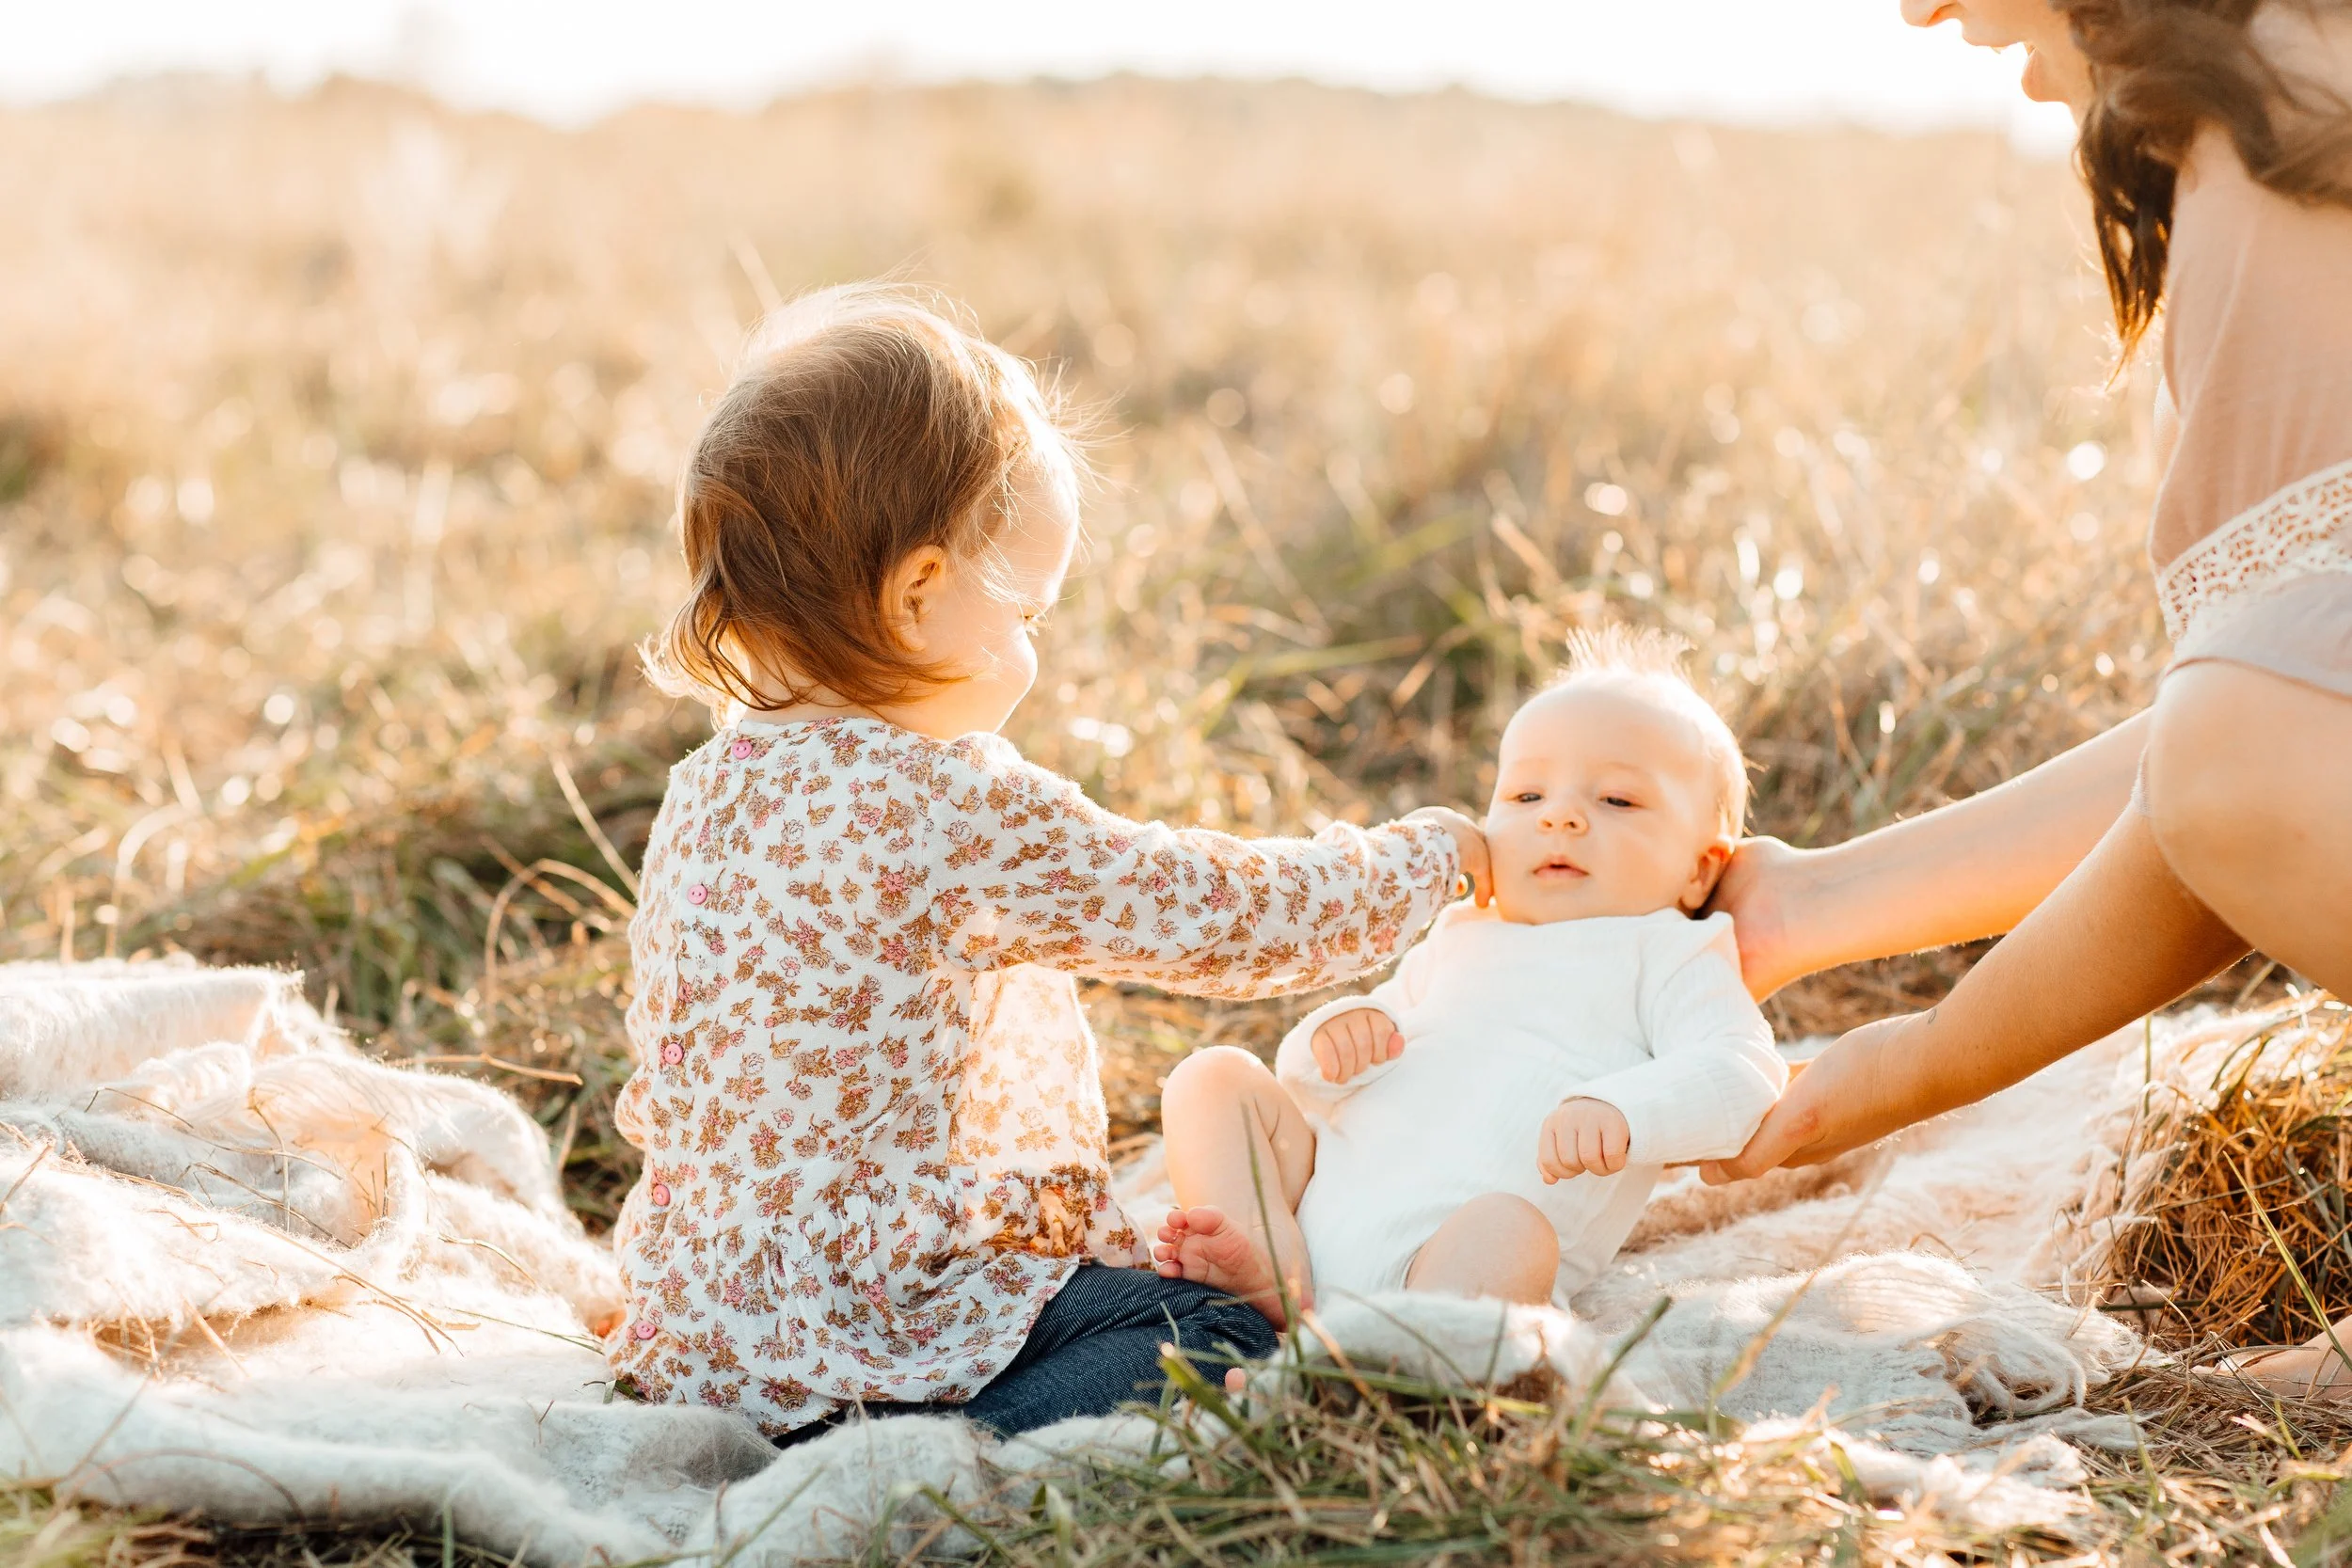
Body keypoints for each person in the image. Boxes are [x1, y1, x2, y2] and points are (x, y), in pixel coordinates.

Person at [605, 284, 1491, 1439]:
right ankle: (917, 1447)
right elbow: (1223, 913)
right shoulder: (946, 802)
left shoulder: (705, 788)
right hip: (867, 1335)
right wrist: (1428, 861)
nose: (1033, 648)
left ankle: (852, 1405)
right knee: (1221, 1336)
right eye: (1028, 610)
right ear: (919, 595)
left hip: (701, 1325)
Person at [1703, 0, 2352, 1394]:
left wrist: (1926, 1056)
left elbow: (2250, 753)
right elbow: (2295, 703)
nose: (1921, 7)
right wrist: (1813, 905)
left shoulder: (2279, 122)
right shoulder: (2308, 72)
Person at [1153, 630, 1784, 1322]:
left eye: (1617, 800)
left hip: (1447, 1263)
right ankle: (1264, 1263)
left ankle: (1362, 1375)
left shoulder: (1668, 952)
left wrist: (1627, 1110)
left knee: (1511, 1231)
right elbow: (1313, 1080)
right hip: (1317, 1209)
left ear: (1700, 869)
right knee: (1211, 1078)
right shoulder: (1461, 934)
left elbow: (1744, 1069)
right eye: (1526, 793)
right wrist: (1336, 1039)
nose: (1560, 815)